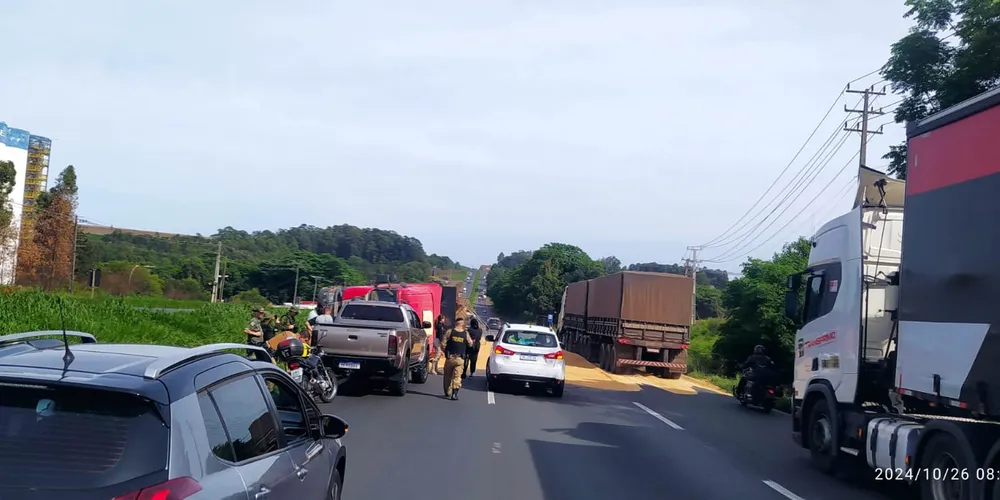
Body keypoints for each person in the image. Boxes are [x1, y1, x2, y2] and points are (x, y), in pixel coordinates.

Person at [442, 316, 475, 400]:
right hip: (460, 359)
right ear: (463, 324)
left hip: (450, 358)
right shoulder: (465, 334)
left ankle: (447, 392)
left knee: (447, 376)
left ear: (455, 323)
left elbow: (443, 343)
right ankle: (454, 394)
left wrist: (445, 352)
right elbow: (470, 344)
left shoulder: (450, 332)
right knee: (457, 377)